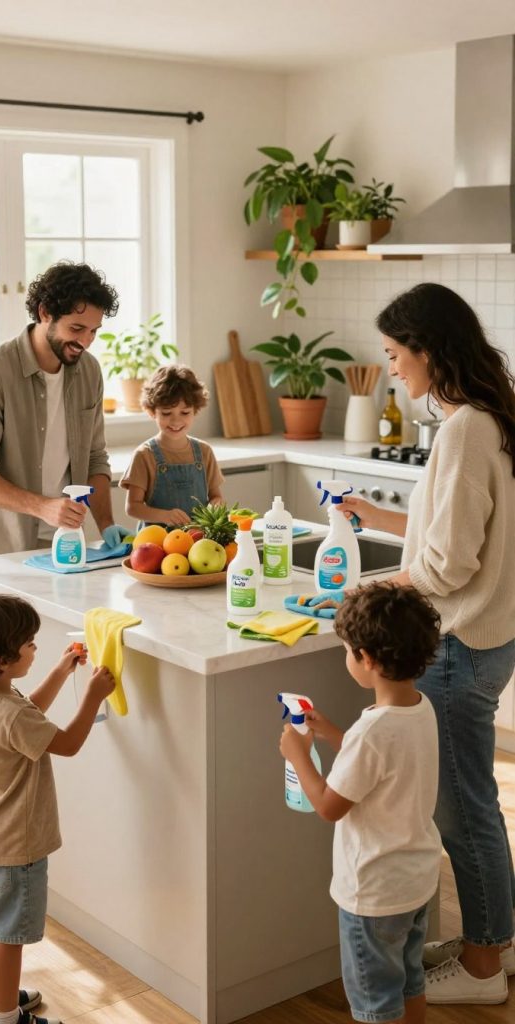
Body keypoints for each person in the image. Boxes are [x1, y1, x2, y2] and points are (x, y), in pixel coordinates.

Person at [340, 282, 515, 1005]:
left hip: (458, 643)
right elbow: (455, 531)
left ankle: (482, 970)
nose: (390, 370)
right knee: (472, 798)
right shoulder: (491, 418)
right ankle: (488, 941)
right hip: (487, 637)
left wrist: (371, 592)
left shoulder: (466, 427)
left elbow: (446, 565)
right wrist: (376, 514)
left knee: (461, 808)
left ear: (426, 349)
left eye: (392, 355)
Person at [0, 593, 115, 1024]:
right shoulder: (9, 711)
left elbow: (27, 716)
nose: (35, 647)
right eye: (30, 642)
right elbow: (67, 743)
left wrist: (60, 671)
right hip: (16, 848)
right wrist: (92, 696)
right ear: (3, 658)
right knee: (11, 938)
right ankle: (7, 1017)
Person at [280, 583, 442, 1024]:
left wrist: (298, 756)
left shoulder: (371, 734)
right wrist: (333, 732)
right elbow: (384, 768)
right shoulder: (420, 709)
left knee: (376, 1005)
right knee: (410, 983)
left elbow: (331, 806)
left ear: (366, 660)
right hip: (416, 883)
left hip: (372, 895)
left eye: (348, 651)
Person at [0, 261, 128, 556]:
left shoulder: (89, 371)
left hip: (67, 543)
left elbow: (95, 459)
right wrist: (43, 507)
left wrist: (107, 523)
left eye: (94, 331)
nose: (86, 342)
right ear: (45, 313)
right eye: (76, 328)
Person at [120, 363, 224, 527]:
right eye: (167, 413)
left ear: (195, 410)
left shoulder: (204, 452)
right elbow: (133, 507)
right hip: (156, 543)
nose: (176, 421)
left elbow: (216, 496)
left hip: (197, 540)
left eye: (185, 412)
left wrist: (214, 507)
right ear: (152, 411)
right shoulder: (144, 455)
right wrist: (164, 516)